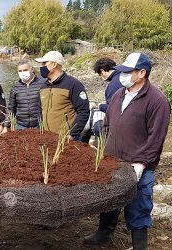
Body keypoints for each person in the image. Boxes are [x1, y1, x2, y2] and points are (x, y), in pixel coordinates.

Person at [83, 53, 170, 250]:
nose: (121, 75)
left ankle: (139, 245)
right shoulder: (118, 95)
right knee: (110, 200)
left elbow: (156, 138)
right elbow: (107, 125)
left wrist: (142, 162)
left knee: (138, 205)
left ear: (142, 73)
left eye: (127, 72)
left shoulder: (157, 101)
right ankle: (104, 232)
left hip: (138, 165)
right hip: (113, 161)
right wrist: (105, 149)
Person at [35, 51, 90, 140]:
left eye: (44, 63)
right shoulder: (43, 87)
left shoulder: (73, 84)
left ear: (54, 65)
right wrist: (40, 129)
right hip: (46, 137)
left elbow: (83, 111)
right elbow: (39, 111)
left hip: (66, 139)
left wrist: (72, 134)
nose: (41, 66)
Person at [81, 57, 124, 143]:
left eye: (99, 74)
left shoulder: (113, 85)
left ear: (103, 71)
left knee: (97, 126)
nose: (101, 77)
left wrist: (100, 106)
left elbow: (113, 109)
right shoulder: (123, 77)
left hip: (119, 126)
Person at [6, 59, 46, 130]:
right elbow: (11, 108)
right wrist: (6, 125)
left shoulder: (43, 83)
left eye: (25, 70)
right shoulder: (15, 87)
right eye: (20, 71)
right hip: (21, 125)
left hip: (39, 125)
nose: (22, 72)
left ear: (32, 69)